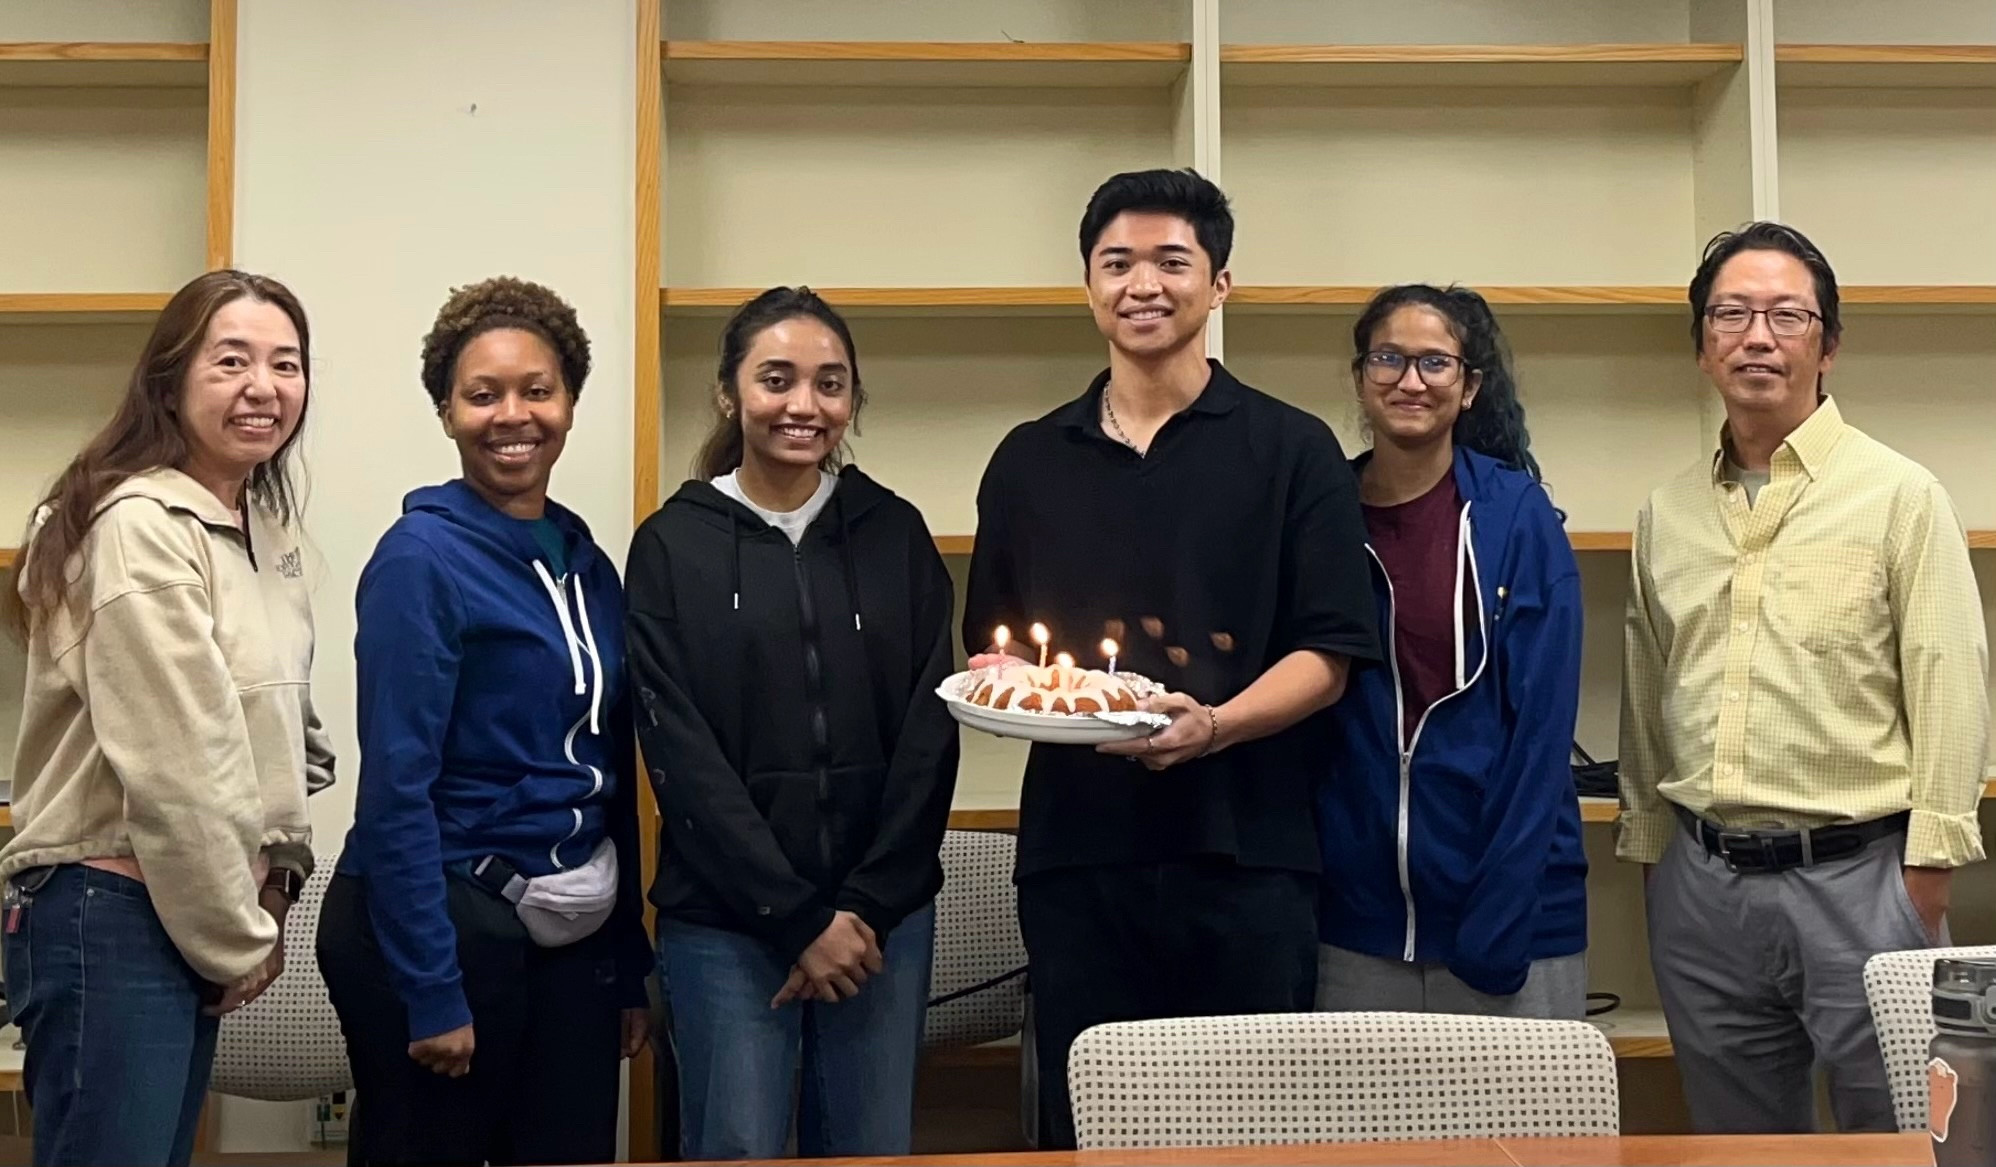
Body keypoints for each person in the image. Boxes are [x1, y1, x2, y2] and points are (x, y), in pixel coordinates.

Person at [963, 169, 1381, 1149]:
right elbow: (994, 650)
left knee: (1248, 1130)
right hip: (1078, 858)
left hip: (1250, 856)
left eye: (1170, 261)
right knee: (1091, 1124)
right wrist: (1041, 695)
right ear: (1086, 285)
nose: (1141, 283)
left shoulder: (1292, 450)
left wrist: (1216, 726)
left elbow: (1331, 651)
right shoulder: (1029, 459)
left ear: (1219, 284)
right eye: (1116, 262)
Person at [1619, 221, 1989, 1133]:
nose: (1758, 336)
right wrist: (1654, 850)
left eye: (1787, 315)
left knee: (1899, 1133)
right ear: (1703, 345)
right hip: (1704, 884)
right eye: (1732, 314)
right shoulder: (1666, 512)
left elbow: (1949, 673)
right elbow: (1647, 687)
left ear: (1828, 346)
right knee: (1736, 1138)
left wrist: (1928, 871)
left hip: (1864, 875)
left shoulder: (1899, 494)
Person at [0, 270, 333, 1167]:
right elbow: (183, 760)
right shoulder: (137, 523)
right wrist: (237, 938)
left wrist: (275, 882)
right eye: (231, 361)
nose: (264, 387)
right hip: (113, 912)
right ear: (170, 380)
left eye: (286, 364)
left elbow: (286, 732)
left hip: (194, 901)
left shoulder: (261, 528)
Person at [317, 277, 652, 1166]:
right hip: (443, 925)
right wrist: (431, 990)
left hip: (570, 936)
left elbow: (609, 765)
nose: (514, 415)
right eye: (483, 393)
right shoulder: (419, 560)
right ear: (445, 409)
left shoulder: (588, 562)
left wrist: (625, 961)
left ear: (570, 402)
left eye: (537, 390)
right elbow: (396, 789)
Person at [625, 287, 959, 1160]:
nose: (804, 405)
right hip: (727, 924)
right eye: (777, 379)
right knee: (735, 1146)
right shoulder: (672, 545)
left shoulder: (896, 534)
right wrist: (795, 917)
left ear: (852, 399)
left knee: (870, 1147)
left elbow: (931, 733)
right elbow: (680, 752)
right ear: (731, 393)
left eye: (829, 383)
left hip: (878, 925)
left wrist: (862, 907)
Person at [1315, 284, 1588, 1019]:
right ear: (1360, 377)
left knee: (1528, 1139)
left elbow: (1541, 733)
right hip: (1355, 926)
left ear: (1469, 387)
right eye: (1389, 359)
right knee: (1367, 1137)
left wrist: (1500, 919)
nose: (1410, 380)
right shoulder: (1319, 514)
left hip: (1516, 918)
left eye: (1435, 362)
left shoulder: (1518, 518)